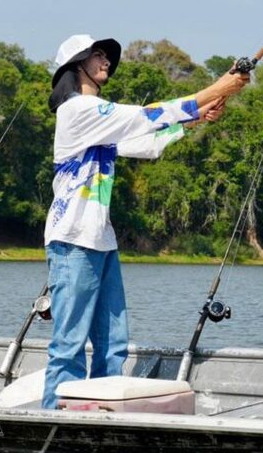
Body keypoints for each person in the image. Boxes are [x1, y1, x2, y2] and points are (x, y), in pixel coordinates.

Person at [41, 34, 249, 409]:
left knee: (113, 344)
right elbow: (145, 114)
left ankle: (101, 414)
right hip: (72, 241)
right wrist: (215, 88)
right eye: (98, 54)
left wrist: (195, 118)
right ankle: (53, 419)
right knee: (69, 343)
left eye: (106, 55)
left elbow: (146, 142)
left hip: (101, 241)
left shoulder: (98, 120)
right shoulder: (76, 111)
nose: (106, 60)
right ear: (77, 65)